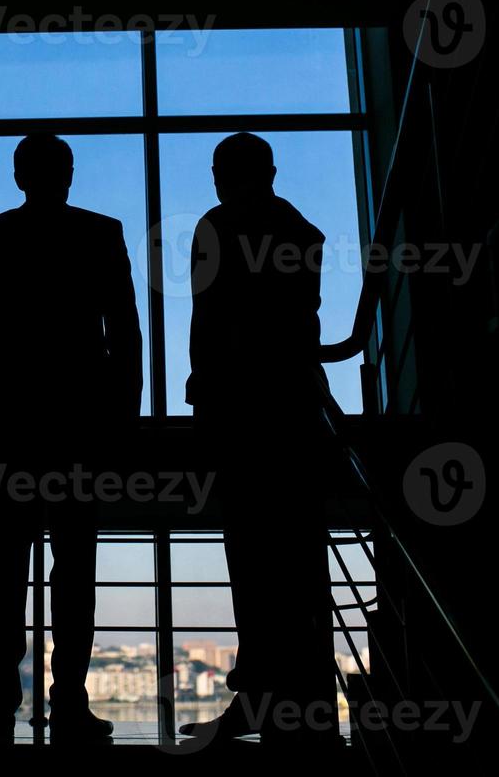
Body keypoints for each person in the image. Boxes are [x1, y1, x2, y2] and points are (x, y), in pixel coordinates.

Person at [0, 135, 142, 744]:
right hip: (80, 421)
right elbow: (125, 335)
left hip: (8, 422)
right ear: (69, 175)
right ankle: (68, 699)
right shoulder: (101, 233)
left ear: (17, 176)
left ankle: (0, 704)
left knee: (4, 566)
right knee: (76, 568)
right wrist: (124, 419)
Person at [182, 133, 339, 752]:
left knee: (251, 560)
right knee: (298, 561)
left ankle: (259, 697)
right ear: (271, 172)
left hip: (238, 413)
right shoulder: (303, 232)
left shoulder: (216, 227)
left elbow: (206, 320)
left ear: (224, 176)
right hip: (292, 411)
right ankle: (303, 702)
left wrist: (205, 399)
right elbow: (304, 316)